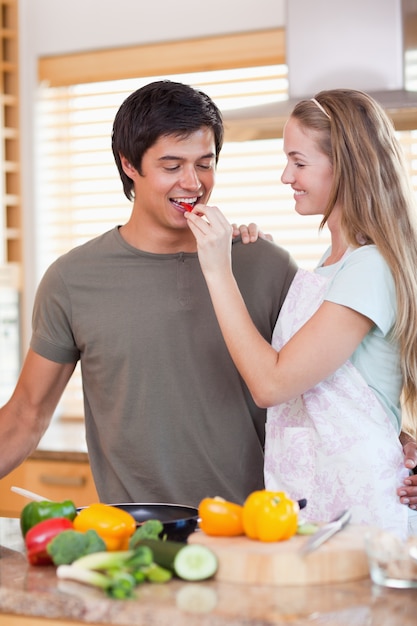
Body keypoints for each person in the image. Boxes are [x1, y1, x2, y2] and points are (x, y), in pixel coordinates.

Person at [0, 80, 297, 508]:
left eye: (204, 163)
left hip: (256, 535)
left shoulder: (265, 264)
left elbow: (328, 394)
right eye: (171, 166)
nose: (193, 183)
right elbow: (26, 414)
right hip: (135, 541)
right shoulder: (71, 280)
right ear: (129, 165)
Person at [185, 88, 417, 537]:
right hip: (315, 500)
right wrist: (252, 260)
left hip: (360, 513)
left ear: (345, 167)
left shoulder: (369, 267)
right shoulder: (333, 266)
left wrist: (218, 270)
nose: (285, 175)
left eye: (299, 161)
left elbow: (272, 384)